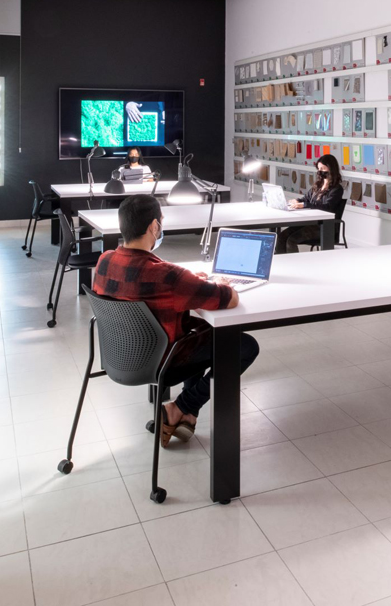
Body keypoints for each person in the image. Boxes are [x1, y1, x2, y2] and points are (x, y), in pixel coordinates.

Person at [92, 194, 260, 448]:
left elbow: (144, 277)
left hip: (119, 358)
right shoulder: (169, 276)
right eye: (161, 220)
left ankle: (187, 415)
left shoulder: (104, 260)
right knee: (243, 345)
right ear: (154, 227)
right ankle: (182, 406)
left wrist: (189, 278)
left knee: (203, 336)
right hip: (162, 363)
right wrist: (219, 283)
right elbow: (230, 299)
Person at [276, 154, 344, 254]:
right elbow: (306, 199)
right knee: (282, 236)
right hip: (309, 222)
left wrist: (305, 205)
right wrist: (298, 201)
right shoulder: (317, 186)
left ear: (331, 169)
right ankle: (281, 263)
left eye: (323, 169)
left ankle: (294, 266)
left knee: (291, 240)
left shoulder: (337, 189)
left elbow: (327, 207)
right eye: (319, 169)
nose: (320, 171)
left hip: (323, 227)